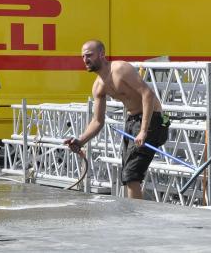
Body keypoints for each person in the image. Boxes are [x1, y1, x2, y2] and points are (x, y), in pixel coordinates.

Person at [64, 40, 169, 199]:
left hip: (155, 120)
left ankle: (135, 218)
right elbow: (97, 121)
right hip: (132, 120)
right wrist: (80, 141)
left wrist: (143, 131)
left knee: (131, 174)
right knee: (127, 175)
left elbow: (148, 94)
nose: (85, 60)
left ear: (101, 54)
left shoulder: (120, 69)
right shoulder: (98, 86)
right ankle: (135, 213)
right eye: (83, 56)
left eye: (89, 55)